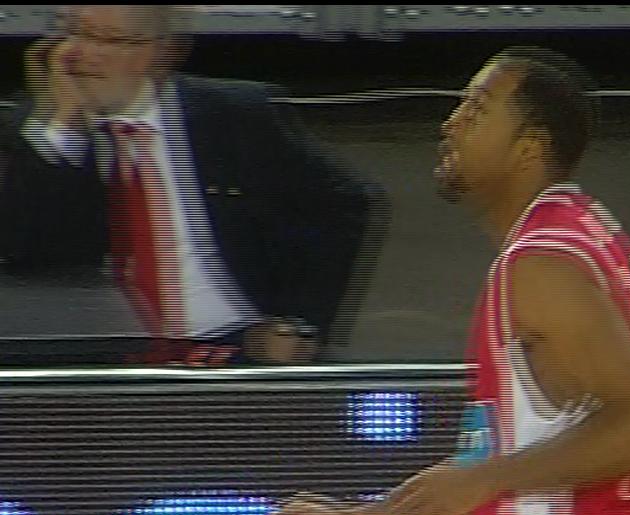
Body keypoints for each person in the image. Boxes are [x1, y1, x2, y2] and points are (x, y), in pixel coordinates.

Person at [263, 47, 630, 515]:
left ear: (529, 147)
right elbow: (498, 460)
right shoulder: (572, 228)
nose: (452, 123)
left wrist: (487, 479)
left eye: (477, 109)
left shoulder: (541, 264)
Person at [0, 5, 382, 365]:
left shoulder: (236, 113)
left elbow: (343, 201)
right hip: (94, 355)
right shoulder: (32, 131)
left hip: (233, 344)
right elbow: (19, 248)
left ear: (162, 52)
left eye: (110, 39)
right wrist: (63, 129)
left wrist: (300, 321)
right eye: (74, 34)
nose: (81, 54)